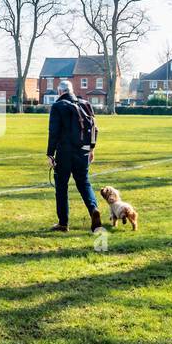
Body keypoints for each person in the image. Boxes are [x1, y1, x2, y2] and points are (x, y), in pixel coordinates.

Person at [46, 80, 102, 232]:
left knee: (61, 186)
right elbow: (94, 128)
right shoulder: (85, 104)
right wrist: (91, 149)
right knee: (84, 183)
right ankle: (93, 210)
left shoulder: (58, 106)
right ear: (71, 90)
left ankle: (63, 223)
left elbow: (54, 132)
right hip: (83, 151)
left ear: (59, 92)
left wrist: (50, 154)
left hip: (64, 152)